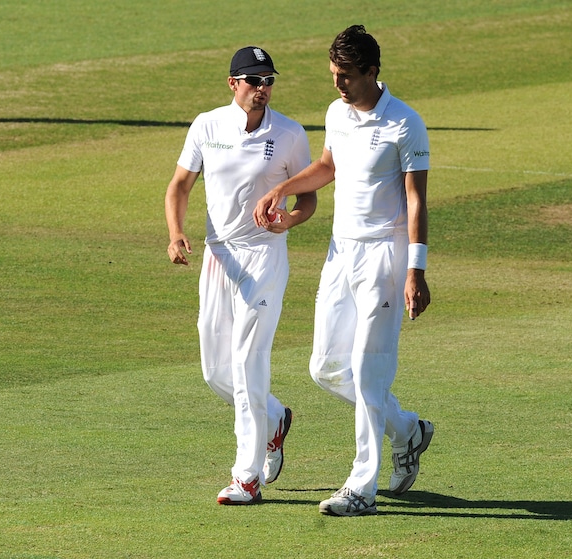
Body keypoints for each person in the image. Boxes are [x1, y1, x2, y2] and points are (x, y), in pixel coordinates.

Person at [254, 25, 433, 516]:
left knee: (370, 376)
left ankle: (361, 488)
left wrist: (416, 270)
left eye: (347, 76)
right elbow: (329, 166)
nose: (338, 85)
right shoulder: (336, 112)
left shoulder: (405, 123)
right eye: (334, 75)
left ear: (373, 72)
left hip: (385, 257)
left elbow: (417, 199)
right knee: (325, 368)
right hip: (341, 253)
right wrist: (282, 189)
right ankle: (409, 431)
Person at [165, 46, 316, 505]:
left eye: (268, 80)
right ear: (233, 83)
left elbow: (308, 199)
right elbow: (179, 186)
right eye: (254, 81)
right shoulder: (206, 125)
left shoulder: (289, 133)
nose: (262, 89)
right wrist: (175, 234)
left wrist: (290, 219)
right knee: (216, 372)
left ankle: (246, 478)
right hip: (217, 257)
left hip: (263, 257)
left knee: (249, 365)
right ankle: (274, 419)